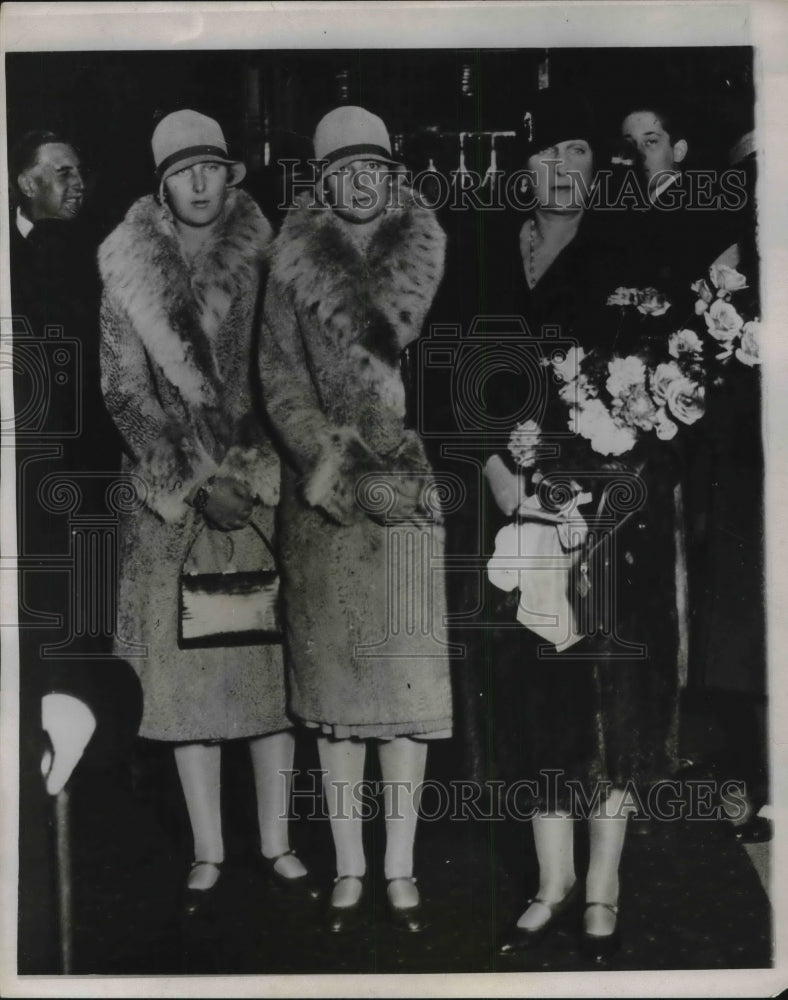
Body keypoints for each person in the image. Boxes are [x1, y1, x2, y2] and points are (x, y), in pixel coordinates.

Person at [466, 89, 680, 964]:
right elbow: (461, 375)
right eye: (547, 154)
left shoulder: (628, 251)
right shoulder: (489, 254)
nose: (562, 170)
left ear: (600, 173)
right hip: (517, 503)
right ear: (524, 168)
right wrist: (499, 471)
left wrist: (599, 474)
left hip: (604, 507)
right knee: (534, 689)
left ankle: (602, 884)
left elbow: (661, 383)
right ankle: (551, 882)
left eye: (581, 155)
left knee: (608, 697)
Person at [97, 109, 317, 915]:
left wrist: (250, 476)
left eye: (211, 168)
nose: (197, 183)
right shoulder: (126, 268)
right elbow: (123, 387)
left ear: (231, 176)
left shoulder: (273, 259)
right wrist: (196, 482)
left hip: (259, 487)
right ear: (161, 185)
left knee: (268, 670)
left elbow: (285, 372)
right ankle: (208, 849)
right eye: (181, 171)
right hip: (170, 500)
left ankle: (278, 841)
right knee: (187, 680)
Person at [259, 106, 452, 933]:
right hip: (330, 505)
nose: (362, 181)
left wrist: (421, 466)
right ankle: (348, 865)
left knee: (407, 693)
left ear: (394, 174)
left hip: (407, 499)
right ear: (324, 181)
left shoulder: (434, 254)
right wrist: (325, 463)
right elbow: (279, 379)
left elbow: (455, 367)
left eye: (375, 166)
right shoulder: (290, 263)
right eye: (345, 170)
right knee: (336, 698)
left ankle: (401, 867)